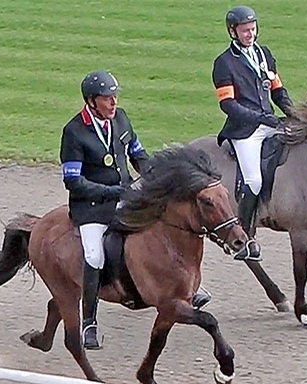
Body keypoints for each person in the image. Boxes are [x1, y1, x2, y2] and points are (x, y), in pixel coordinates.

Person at [60, 71, 210, 350]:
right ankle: (89, 322)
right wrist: (113, 192)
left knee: (164, 228)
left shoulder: (121, 118)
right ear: (91, 102)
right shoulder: (74, 132)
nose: (113, 103)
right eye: (107, 99)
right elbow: (73, 181)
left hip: (126, 195)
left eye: (115, 97)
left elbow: (138, 155)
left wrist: (158, 178)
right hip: (92, 207)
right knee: (94, 255)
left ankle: (188, 287)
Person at [212, 6, 297, 261]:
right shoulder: (224, 63)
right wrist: (260, 118)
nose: (250, 34)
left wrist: (294, 114)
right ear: (233, 32)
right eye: (245, 30)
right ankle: (246, 236)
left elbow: (277, 91)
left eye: (253, 29)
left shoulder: (264, 54)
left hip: (270, 122)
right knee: (254, 181)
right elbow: (228, 104)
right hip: (244, 130)